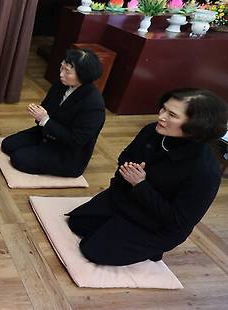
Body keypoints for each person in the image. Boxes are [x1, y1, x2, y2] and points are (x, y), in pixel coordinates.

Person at [67, 88, 228, 266]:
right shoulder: (152, 131)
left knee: (91, 249)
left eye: (172, 115)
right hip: (127, 198)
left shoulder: (205, 171)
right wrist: (128, 169)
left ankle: (152, 249)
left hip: (157, 224)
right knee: (77, 223)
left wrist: (140, 185)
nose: (161, 116)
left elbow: (178, 221)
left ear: (197, 125)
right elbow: (126, 156)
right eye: (163, 109)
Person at [1, 48, 105, 177]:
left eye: (67, 72)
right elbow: (46, 108)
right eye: (61, 68)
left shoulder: (93, 105)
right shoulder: (61, 84)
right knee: (7, 145)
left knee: (18, 158)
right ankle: (38, 150)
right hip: (48, 132)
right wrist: (39, 116)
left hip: (67, 152)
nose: (61, 74)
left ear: (83, 76)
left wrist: (45, 120)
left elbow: (76, 141)